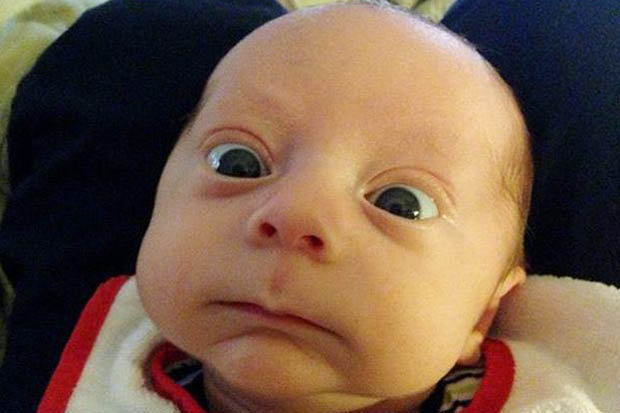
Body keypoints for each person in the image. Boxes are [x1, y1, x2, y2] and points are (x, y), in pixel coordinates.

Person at [39, 3, 536, 412]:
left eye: (400, 204)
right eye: (238, 162)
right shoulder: (85, 366)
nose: (294, 214)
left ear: (483, 313)